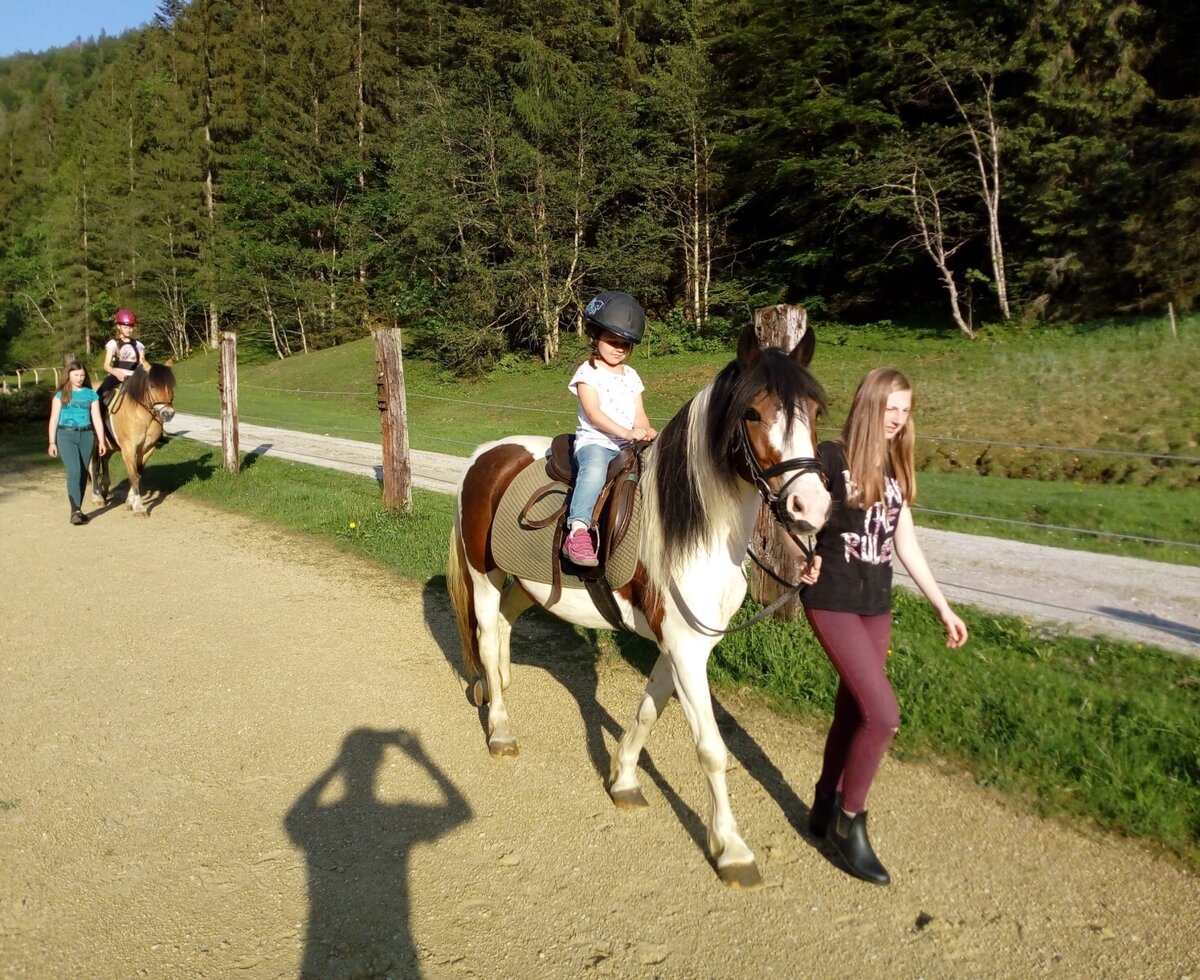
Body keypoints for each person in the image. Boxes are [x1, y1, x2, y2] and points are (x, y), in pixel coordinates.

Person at [801, 367, 968, 886]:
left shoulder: (895, 467)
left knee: (854, 710)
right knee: (884, 714)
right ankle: (851, 823)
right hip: (832, 600)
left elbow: (906, 543)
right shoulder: (830, 456)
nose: (897, 419)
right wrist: (803, 558)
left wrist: (943, 605)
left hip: (876, 603)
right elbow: (794, 516)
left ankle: (825, 802)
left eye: (905, 409)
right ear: (868, 405)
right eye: (889, 407)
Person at [562, 291, 657, 567]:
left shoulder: (631, 376)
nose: (619, 348)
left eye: (625, 345)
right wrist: (626, 433)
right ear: (596, 337)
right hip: (597, 443)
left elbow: (639, 413)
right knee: (593, 471)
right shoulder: (587, 373)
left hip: (628, 446)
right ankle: (577, 530)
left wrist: (645, 429)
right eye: (612, 341)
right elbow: (594, 414)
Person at [48, 360, 107, 525]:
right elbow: (53, 419)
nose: (79, 378)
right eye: (76, 375)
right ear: (68, 375)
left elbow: (96, 418)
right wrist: (52, 442)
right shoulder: (61, 395)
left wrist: (101, 441)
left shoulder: (91, 394)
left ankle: (78, 510)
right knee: (74, 470)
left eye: (82, 375)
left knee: (83, 473)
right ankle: (75, 510)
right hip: (65, 435)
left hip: (87, 435)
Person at [97, 308, 148, 404]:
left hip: (134, 378)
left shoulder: (139, 345)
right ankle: (96, 415)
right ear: (119, 326)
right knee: (99, 395)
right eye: (126, 327)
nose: (129, 330)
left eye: (131, 327)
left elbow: (143, 364)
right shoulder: (113, 343)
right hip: (116, 376)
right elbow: (106, 365)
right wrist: (117, 374)